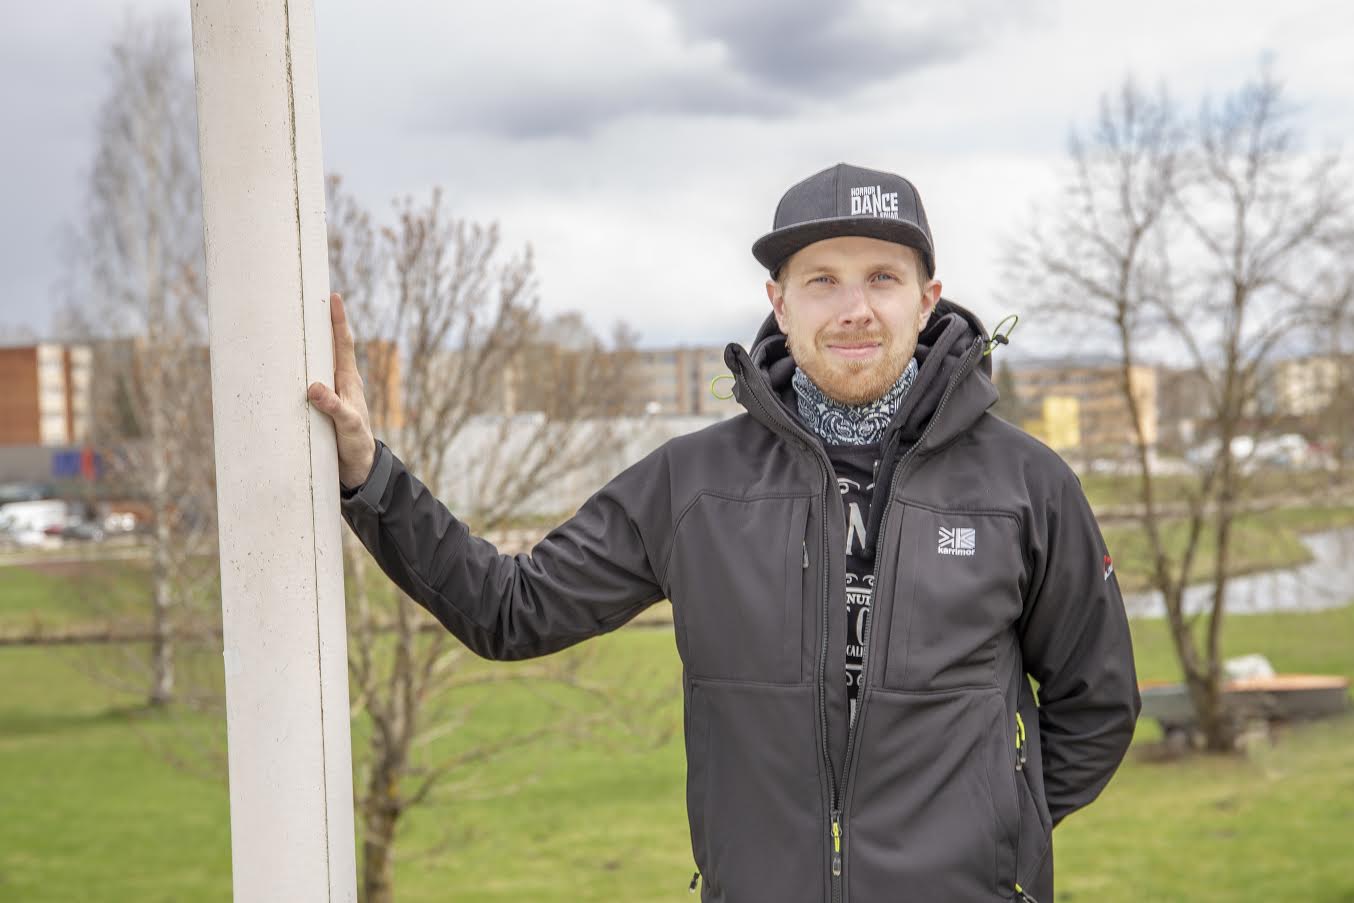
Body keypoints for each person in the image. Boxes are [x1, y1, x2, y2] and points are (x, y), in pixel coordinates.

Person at [307, 162, 1140, 903]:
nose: (855, 308)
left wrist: (1000, 830)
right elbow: (509, 607)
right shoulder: (693, 486)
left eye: (882, 277)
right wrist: (370, 474)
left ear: (926, 298)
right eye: (822, 280)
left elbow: (1096, 701)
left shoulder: (1026, 484)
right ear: (778, 301)